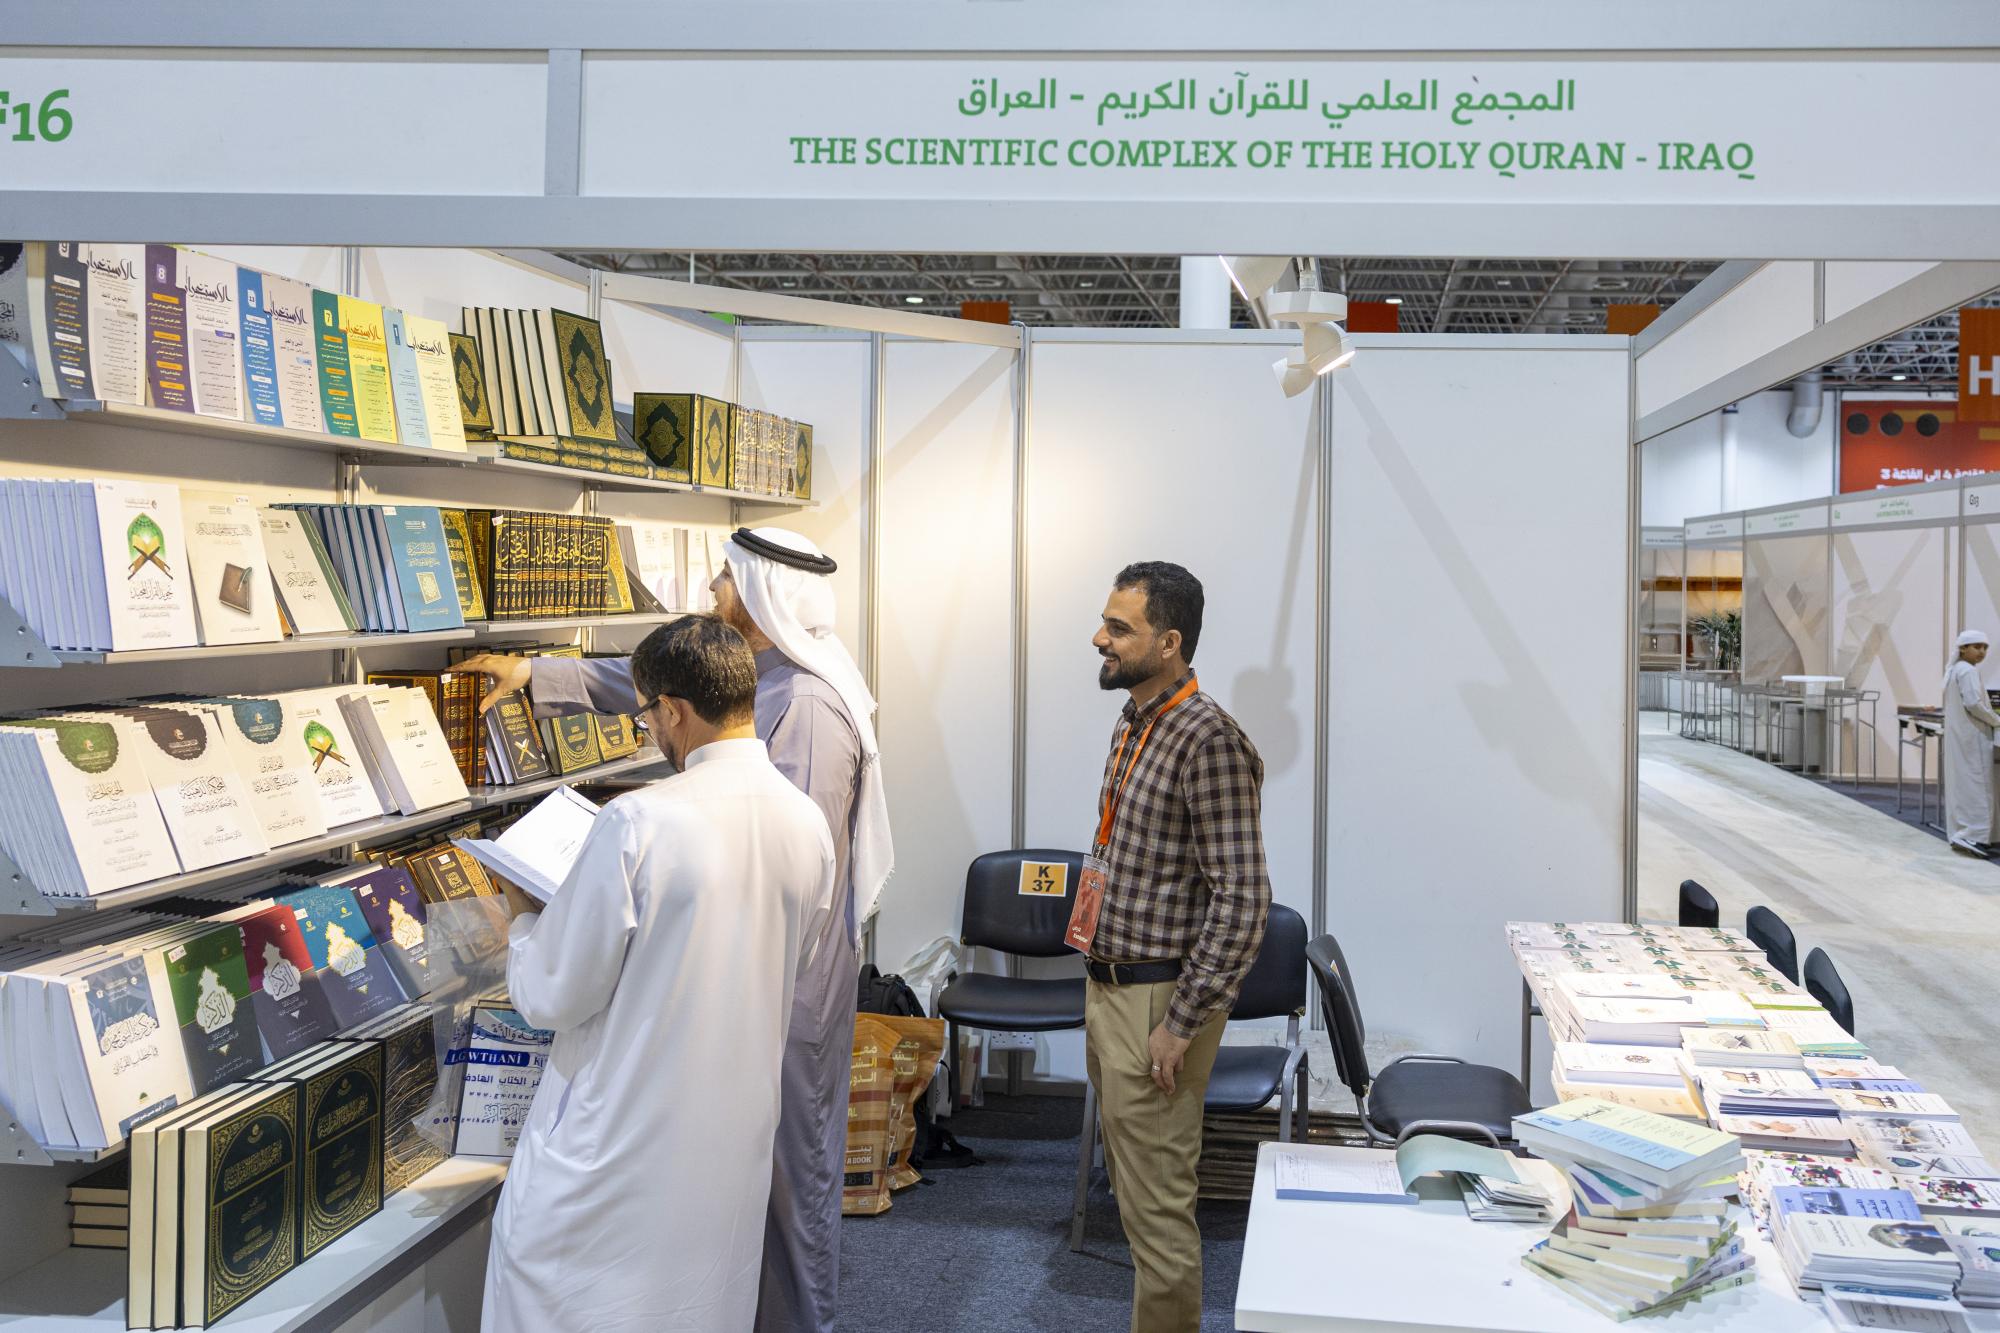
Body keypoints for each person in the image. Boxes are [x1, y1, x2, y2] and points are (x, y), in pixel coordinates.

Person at [460, 526, 890, 1333]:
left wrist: (524, 920)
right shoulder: (775, 759)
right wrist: (538, 673)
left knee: (785, 1207)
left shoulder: (780, 726)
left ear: (673, 714)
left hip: (669, 1088)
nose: (715, 590)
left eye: (725, 578)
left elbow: (557, 991)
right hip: (729, 1075)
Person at [1077, 561, 1270, 1333]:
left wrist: (1180, 1021)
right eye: (1105, 621)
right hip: (1110, 986)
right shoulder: (1135, 721)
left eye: (1118, 627)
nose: (1100, 638)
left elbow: (1243, 899)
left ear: (1170, 642)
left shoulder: (1206, 739)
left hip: (1157, 1003)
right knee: (1134, 1197)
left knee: (1157, 1216)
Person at [1941, 628, 2000, 856]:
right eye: (1977, 647)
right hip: (1974, 738)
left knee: (1965, 787)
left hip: (1962, 739)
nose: (1982, 652)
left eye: (1985, 647)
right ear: (1963, 648)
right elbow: (1974, 704)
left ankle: (1966, 833)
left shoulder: (1956, 669)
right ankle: (1975, 836)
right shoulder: (1967, 671)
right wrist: (1996, 720)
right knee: (1979, 787)